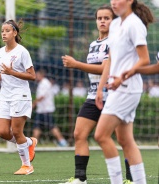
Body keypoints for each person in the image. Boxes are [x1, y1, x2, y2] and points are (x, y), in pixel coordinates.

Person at [95, 0, 154, 184]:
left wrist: (123, 77)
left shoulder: (134, 24)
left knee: (101, 135)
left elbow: (145, 60)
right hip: (117, 89)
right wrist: (100, 87)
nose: (113, 2)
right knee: (125, 140)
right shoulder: (115, 25)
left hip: (127, 88)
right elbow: (111, 59)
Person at [60, 5, 120, 184]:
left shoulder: (115, 41)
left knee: (123, 139)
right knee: (79, 133)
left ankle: (131, 180)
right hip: (93, 96)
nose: (102, 21)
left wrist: (76, 64)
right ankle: (80, 178)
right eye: (99, 18)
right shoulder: (93, 44)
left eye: (106, 18)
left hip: (114, 96)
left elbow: (105, 69)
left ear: (114, 21)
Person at [0, 19, 37, 175]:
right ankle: (29, 142)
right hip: (5, 95)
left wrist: (13, 73)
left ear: (15, 33)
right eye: (2, 31)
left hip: (20, 95)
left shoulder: (22, 51)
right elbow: (5, 75)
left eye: (7, 31)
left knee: (17, 132)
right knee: (3, 132)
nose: (4, 33)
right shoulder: (0, 51)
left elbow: (32, 76)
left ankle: (26, 165)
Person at [32, 69, 68, 147]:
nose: (36, 77)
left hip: (46, 110)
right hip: (41, 110)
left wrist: (33, 104)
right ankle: (33, 144)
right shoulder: (42, 83)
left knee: (52, 127)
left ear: (42, 75)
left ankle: (62, 142)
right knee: (37, 127)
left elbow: (42, 96)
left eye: (37, 75)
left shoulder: (44, 83)